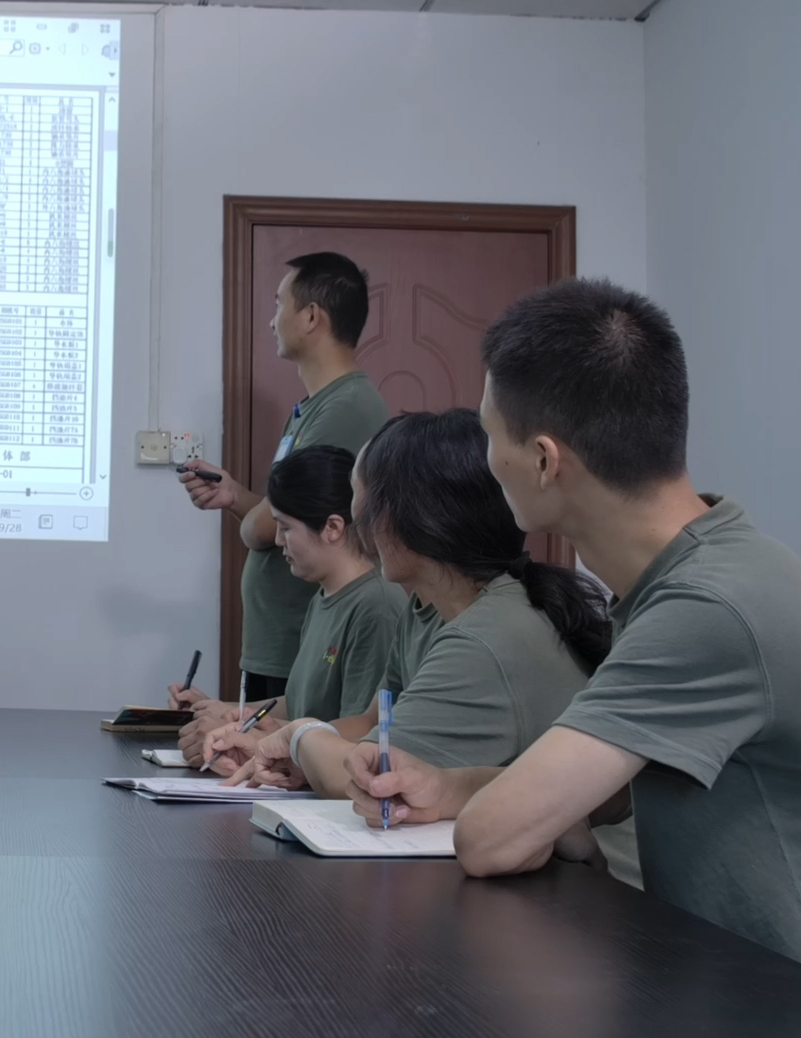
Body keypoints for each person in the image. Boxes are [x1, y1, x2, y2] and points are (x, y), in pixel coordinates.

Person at [346, 279, 801, 1026]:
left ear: (543, 461)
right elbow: (625, 786)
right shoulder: (705, 569)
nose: (485, 458)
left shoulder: (710, 605)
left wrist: (484, 807)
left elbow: (491, 840)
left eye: (490, 434)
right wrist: (452, 786)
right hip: (748, 1004)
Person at [214, 410, 633, 880]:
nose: (357, 519)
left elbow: (365, 776)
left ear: (411, 517)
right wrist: (295, 755)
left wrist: (299, 737)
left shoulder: (482, 639)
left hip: (594, 891)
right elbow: (374, 723)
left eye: (362, 499)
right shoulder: (426, 609)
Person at [175, 252, 390, 702]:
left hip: (298, 638)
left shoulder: (346, 408)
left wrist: (255, 523)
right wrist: (235, 496)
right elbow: (283, 513)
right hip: (279, 640)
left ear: (311, 316)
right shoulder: (312, 408)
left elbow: (265, 528)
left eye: (279, 305)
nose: (272, 321)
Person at [169, 445, 406, 765]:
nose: (279, 541)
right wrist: (226, 711)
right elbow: (297, 705)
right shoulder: (322, 599)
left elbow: (359, 731)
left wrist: (249, 736)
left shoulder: (375, 607)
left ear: (333, 528)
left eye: (286, 528)